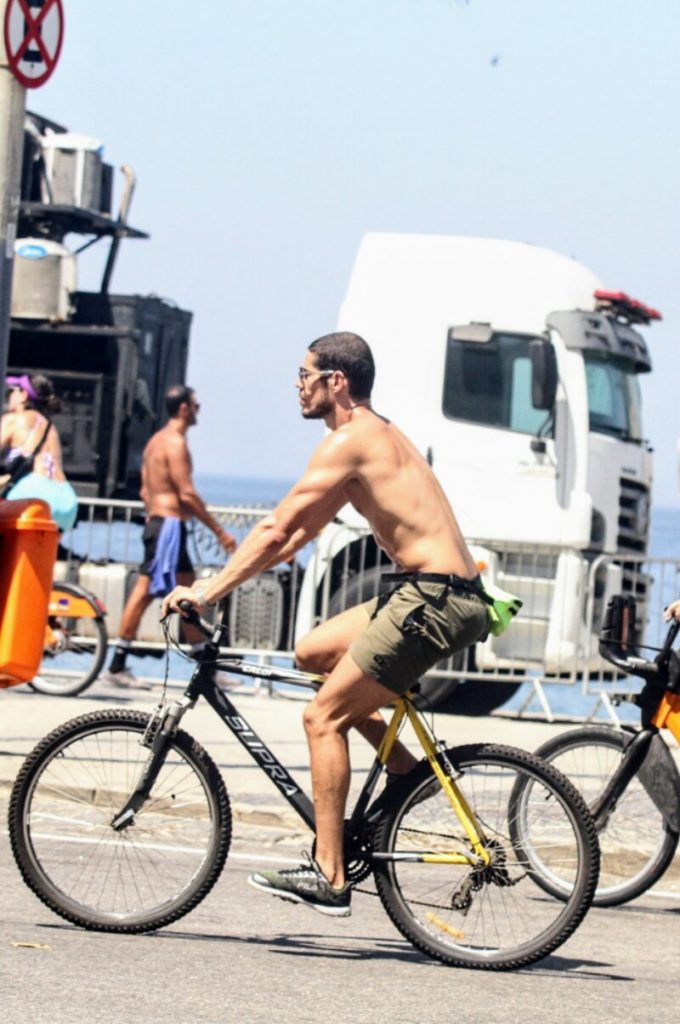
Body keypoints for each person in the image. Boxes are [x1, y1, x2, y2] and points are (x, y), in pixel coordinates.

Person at [162, 333, 489, 917]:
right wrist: (233, 578)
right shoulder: (372, 435)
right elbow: (293, 534)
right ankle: (404, 768)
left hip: (435, 599)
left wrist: (207, 592)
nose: (297, 384)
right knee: (312, 653)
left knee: (321, 718)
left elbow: (274, 529)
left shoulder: (351, 439)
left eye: (305, 374)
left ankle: (329, 873)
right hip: (431, 592)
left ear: (335, 381)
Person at [102, 383, 237, 689]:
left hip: (162, 524)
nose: (199, 411)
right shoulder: (174, 443)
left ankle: (207, 669)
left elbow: (145, 489)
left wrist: (155, 513)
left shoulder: (154, 442)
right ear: (184, 408)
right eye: (197, 406)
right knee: (146, 590)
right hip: (168, 528)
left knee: (189, 595)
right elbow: (187, 494)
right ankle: (117, 664)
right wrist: (220, 532)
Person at [0, 372, 78, 532]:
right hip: (65, 500)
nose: (9, 395)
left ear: (23, 395)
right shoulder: (51, 428)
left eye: (12, 390)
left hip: (32, 495)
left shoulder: (14, 419)